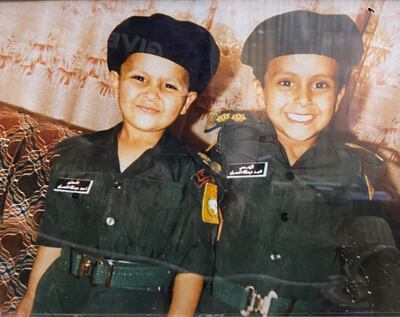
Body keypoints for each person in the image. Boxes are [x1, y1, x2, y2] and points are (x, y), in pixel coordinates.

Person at [16, 13, 222, 316]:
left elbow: (192, 268)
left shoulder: (197, 175)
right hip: (57, 300)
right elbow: (52, 241)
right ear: (115, 82)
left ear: (187, 102)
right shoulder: (74, 154)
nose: (151, 93)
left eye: (169, 86)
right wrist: (28, 302)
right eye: (139, 78)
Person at [201, 10, 400, 315]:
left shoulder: (352, 169)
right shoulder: (233, 148)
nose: (303, 98)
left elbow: (376, 260)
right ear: (260, 89)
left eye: (320, 85)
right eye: (286, 83)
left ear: (339, 96)